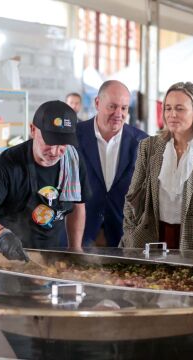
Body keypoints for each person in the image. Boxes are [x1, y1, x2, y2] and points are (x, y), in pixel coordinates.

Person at [0, 100, 90, 260]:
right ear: (33, 130)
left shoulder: (73, 161)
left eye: (62, 145)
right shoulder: (9, 163)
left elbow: (78, 206)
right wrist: (1, 235)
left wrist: (75, 249)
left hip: (47, 261)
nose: (54, 152)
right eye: (49, 142)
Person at [120, 82, 193, 252]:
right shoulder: (148, 147)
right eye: (168, 108)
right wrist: (130, 235)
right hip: (150, 239)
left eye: (180, 109)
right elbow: (132, 199)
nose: (172, 114)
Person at [75, 80, 147, 247]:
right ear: (97, 103)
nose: (118, 113)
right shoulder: (73, 137)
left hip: (123, 238)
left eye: (124, 108)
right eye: (112, 106)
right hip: (78, 237)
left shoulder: (142, 142)